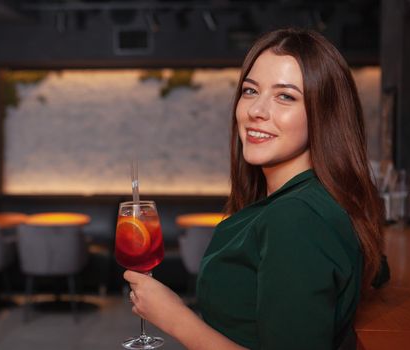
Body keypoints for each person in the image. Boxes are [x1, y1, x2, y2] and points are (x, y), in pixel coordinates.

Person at [124, 28, 385, 350]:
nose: (256, 111)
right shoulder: (311, 200)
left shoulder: (295, 219)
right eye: (250, 91)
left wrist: (175, 316)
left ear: (324, 113)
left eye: (285, 96)